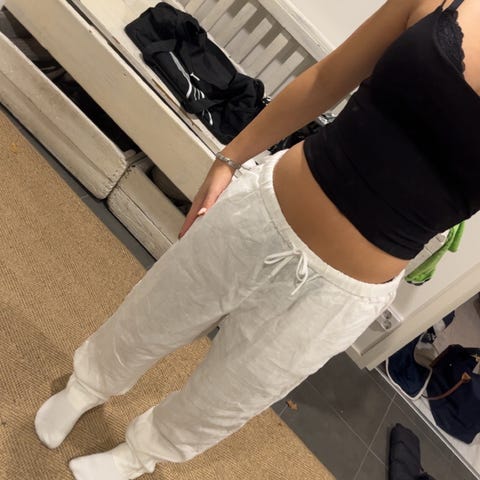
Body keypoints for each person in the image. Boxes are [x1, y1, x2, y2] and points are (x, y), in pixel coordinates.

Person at [34, 0, 480, 479]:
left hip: (343, 294)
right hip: (266, 210)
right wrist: (229, 158)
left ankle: (138, 455)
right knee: (156, 311)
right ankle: (86, 386)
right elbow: (325, 80)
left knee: (232, 394)